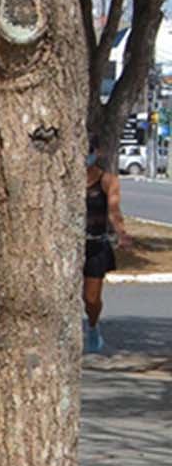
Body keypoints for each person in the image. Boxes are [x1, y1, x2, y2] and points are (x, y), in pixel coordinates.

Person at [84, 150, 133, 353]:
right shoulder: (65, 180)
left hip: (95, 244)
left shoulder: (108, 180)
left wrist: (121, 234)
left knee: (91, 299)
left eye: (88, 152)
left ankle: (93, 326)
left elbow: (114, 210)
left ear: (97, 153)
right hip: (70, 246)